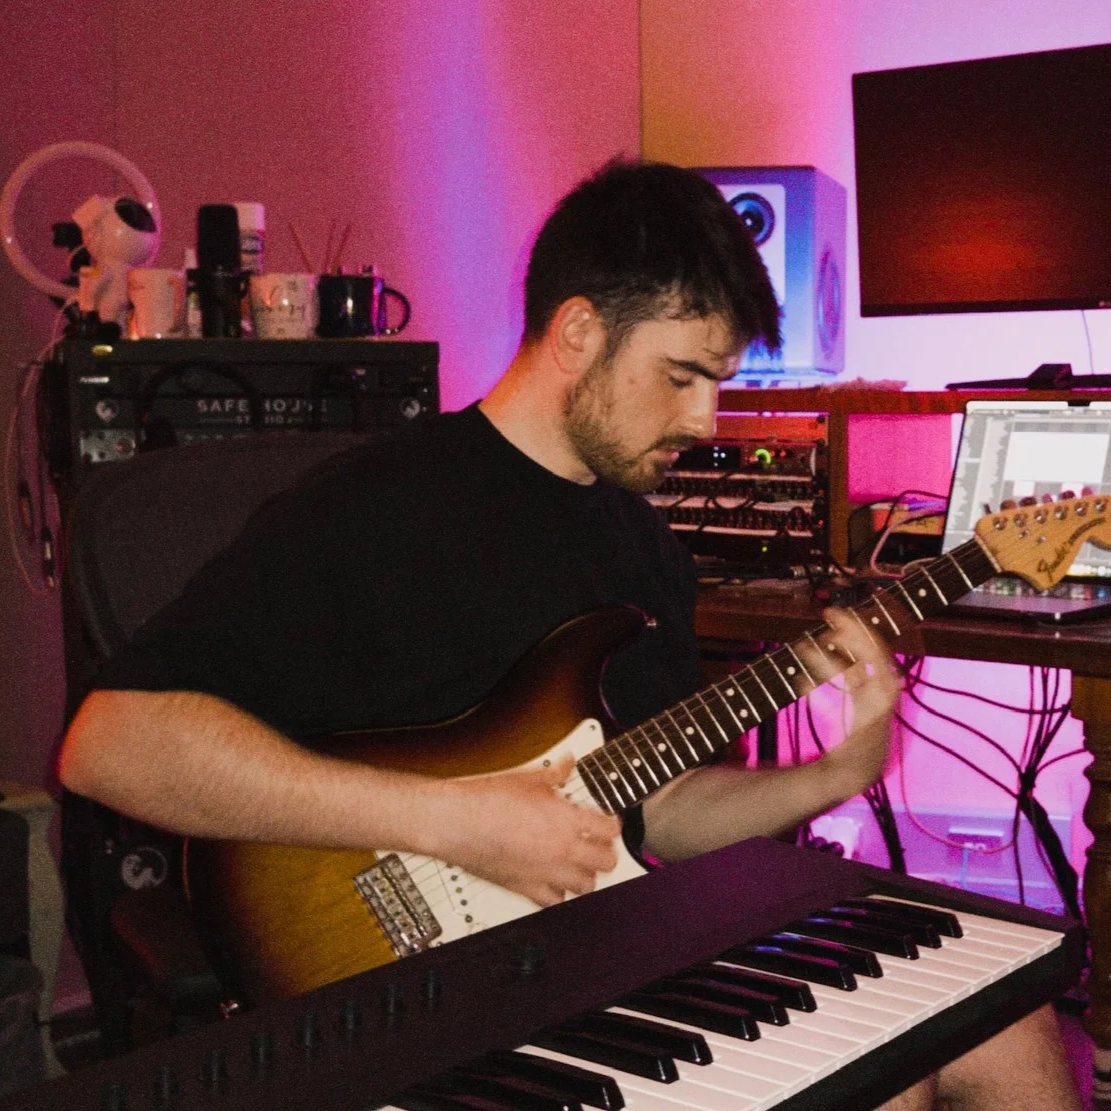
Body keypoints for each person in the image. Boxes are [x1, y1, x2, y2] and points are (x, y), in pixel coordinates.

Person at [58, 160, 1079, 1109]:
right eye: (681, 375)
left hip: (595, 958)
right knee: (880, 1077)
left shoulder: (641, 548)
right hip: (421, 998)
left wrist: (832, 772)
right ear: (580, 332)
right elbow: (109, 747)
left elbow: (657, 810)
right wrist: (456, 822)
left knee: (1008, 1025)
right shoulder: (375, 509)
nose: (705, 418)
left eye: (716, 381)